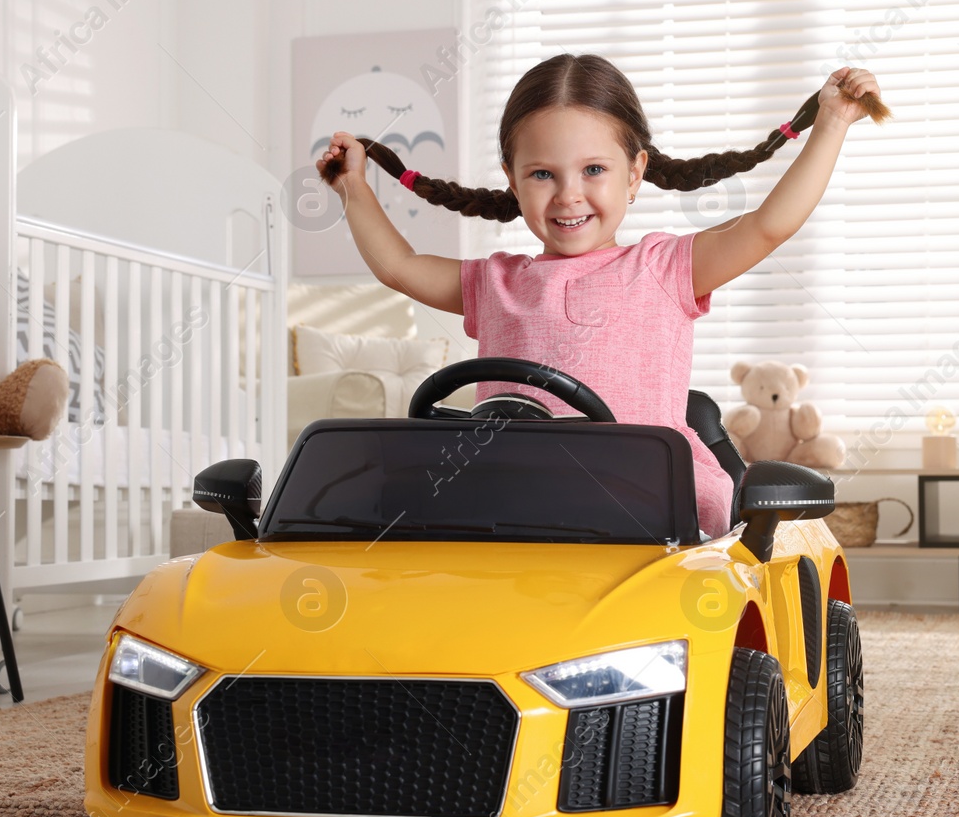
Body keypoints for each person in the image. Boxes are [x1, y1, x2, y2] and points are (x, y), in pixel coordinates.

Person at [318, 53, 885, 538]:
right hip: (510, 507)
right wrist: (353, 188)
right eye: (542, 174)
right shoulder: (496, 283)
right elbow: (399, 267)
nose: (569, 195)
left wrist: (831, 122)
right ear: (512, 181)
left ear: (635, 173)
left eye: (593, 169)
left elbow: (768, 226)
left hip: (644, 506)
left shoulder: (664, 268)